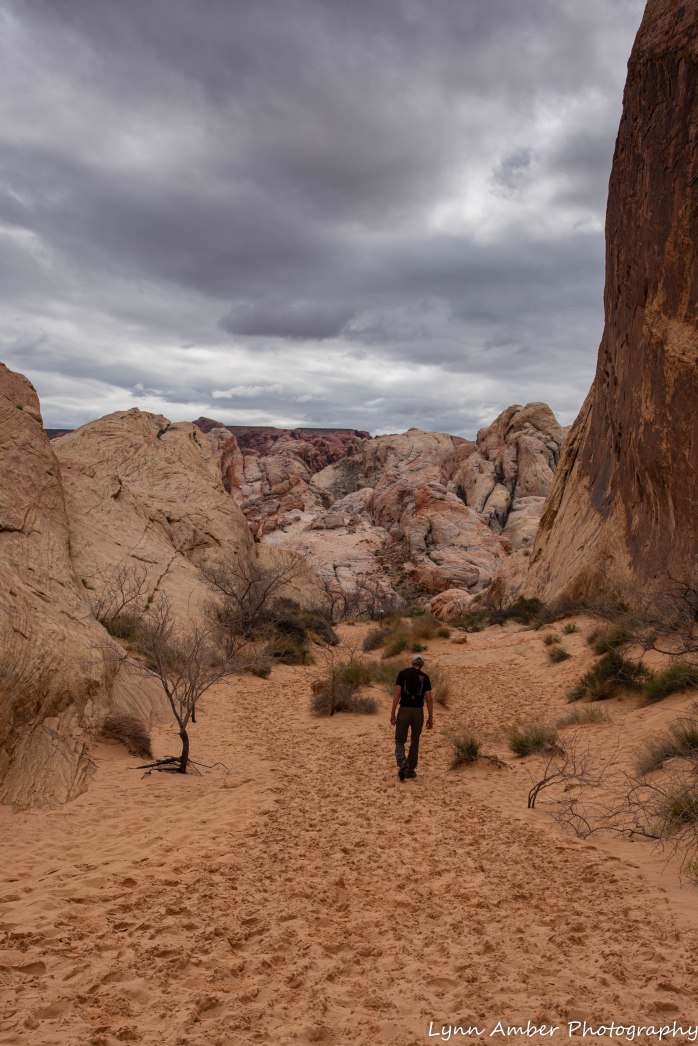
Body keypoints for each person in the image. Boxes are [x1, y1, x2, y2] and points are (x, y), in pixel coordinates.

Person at [390, 655, 433, 781]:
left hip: (404, 710)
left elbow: (397, 693)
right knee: (415, 740)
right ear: (422, 665)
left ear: (412, 663)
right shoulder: (425, 678)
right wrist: (430, 717)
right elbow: (429, 698)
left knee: (400, 739)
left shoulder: (402, 673)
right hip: (418, 712)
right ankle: (410, 769)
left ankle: (402, 762)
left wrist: (393, 712)